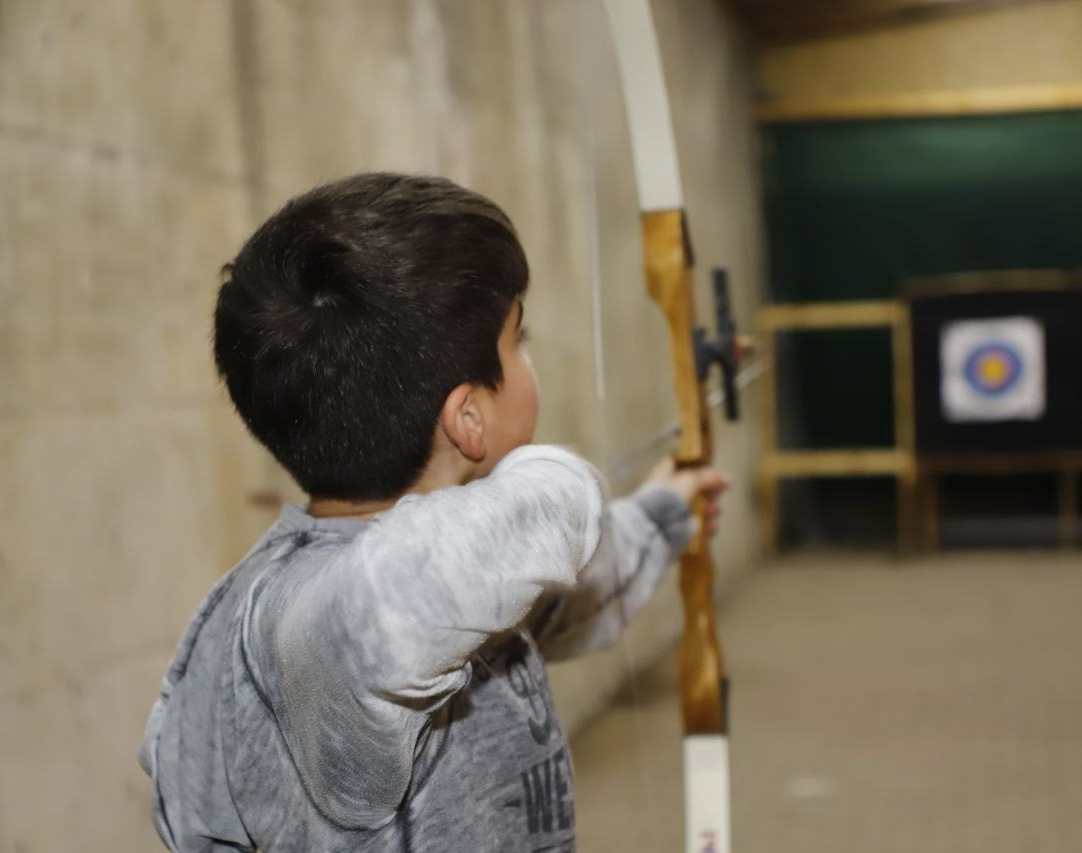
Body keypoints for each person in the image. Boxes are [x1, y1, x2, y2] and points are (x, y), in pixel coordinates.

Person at [137, 172, 728, 852]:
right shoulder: (309, 626)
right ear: (467, 417)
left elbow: (564, 591)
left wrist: (667, 509)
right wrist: (567, 489)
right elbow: (422, 588)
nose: (531, 359)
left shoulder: (465, 572)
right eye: (520, 337)